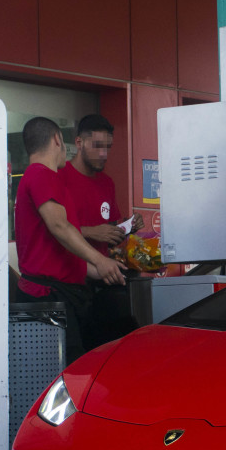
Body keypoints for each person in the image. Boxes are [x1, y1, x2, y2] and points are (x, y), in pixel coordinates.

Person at [15, 116, 125, 360]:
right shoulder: (40, 174)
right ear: (57, 139)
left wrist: (103, 270)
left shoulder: (46, 178)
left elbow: (59, 249)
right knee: (65, 374)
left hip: (62, 293)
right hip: (47, 297)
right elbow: (60, 227)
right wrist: (100, 259)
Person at [60, 114, 143, 349]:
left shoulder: (106, 182)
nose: (104, 154)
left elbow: (110, 233)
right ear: (79, 143)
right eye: (97, 146)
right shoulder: (60, 177)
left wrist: (126, 227)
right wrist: (90, 232)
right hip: (69, 284)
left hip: (102, 287)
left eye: (107, 147)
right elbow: (54, 228)